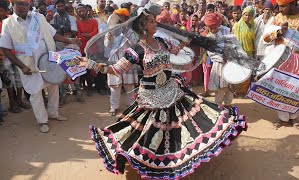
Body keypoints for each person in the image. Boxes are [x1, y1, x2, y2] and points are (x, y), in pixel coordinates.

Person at [75, 8, 247, 179]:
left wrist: (187, 41)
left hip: (171, 89)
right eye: (151, 21)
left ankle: (179, 154)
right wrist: (90, 64)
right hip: (152, 97)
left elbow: (176, 51)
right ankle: (157, 159)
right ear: (142, 26)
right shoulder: (136, 50)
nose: (155, 23)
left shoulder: (162, 42)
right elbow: (115, 69)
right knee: (152, 129)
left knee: (179, 124)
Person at [0, 0, 80, 133]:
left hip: (48, 60)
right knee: (35, 92)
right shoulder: (8, 23)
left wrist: (69, 40)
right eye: (19, 4)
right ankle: (42, 120)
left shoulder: (39, 17)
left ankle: (53, 113)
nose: (22, 7)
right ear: (12, 5)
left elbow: (53, 34)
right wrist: (22, 66)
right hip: (27, 65)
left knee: (53, 86)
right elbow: (6, 48)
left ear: (29, 5)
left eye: (25, 4)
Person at [263, 0, 299, 129]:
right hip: (281, 61)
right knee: (281, 90)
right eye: (279, 6)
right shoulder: (278, 18)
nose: (280, 9)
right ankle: (283, 118)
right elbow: (266, 38)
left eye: (283, 6)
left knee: (297, 91)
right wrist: (278, 32)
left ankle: (294, 117)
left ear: (293, 3)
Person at [105, 7, 138, 115]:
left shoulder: (131, 30)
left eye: (122, 18)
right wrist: (109, 37)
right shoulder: (110, 31)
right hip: (114, 60)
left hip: (127, 60)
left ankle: (131, 105)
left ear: (126, 19)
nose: (120, 20)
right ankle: (114, 107)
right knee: (115, 86)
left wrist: (125, 31)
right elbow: (106, 45)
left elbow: (134, 42)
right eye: (118, 17)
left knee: (129, 86)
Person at [204, 13, 234, 107]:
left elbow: (233, 43)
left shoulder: (226, 31)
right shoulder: (208, 38)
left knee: (230, 86)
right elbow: (211, 54)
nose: (213, 30)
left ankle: (228, 104)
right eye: (211, 28)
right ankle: (219, 105)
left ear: (218, 25)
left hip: (230, 62)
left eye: (215, 27)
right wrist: (223, 58)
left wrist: (230, 55)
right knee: (220, 87)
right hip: (219, 64)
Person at [76, 3, 98, 96]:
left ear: (87, 11)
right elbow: (78, 36)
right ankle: (85, 87)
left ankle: (91, 88)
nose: (81, 13)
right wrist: (88, 35)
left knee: (92, 69)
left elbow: (95, 34)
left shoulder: (94, 21)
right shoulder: (77, 23)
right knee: (83, 69)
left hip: (93, 49)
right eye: (79, 11)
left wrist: (85, 35)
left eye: (83, 10)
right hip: (81, 49)